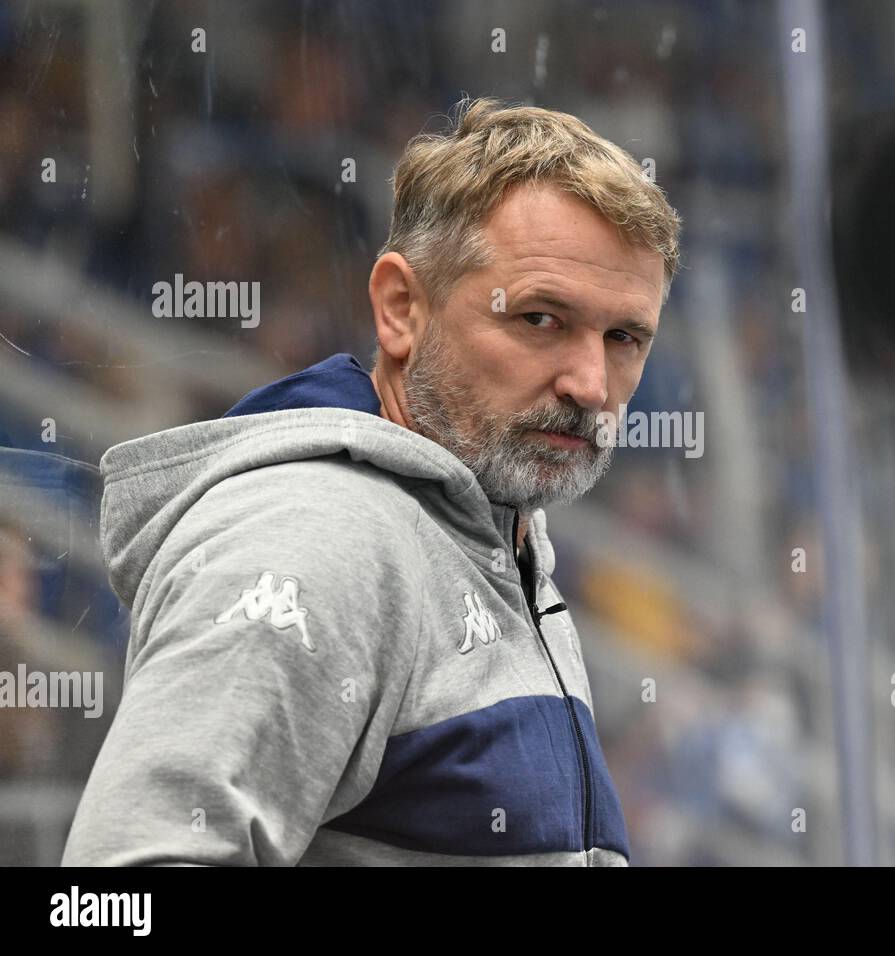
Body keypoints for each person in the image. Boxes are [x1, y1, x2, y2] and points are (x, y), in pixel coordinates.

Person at [61, 96, 682, 866]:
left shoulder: (502, 534)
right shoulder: (317, 539)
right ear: (400, 308)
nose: (591, 384)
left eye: (624, 337)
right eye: (539, 319)